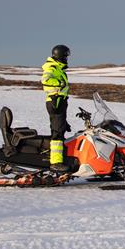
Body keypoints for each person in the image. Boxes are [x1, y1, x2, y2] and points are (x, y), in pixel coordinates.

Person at [41, 44, 71, 172]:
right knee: (57, 133)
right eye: (65, 56)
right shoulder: (52, 67)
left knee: (61, 129)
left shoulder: (59, 68)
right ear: (60, 56)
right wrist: (60, 83)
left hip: (60, 102)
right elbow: (45, 80)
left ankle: (61, 158)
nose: (66, 58)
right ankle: (56, 162)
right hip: (55, 102)